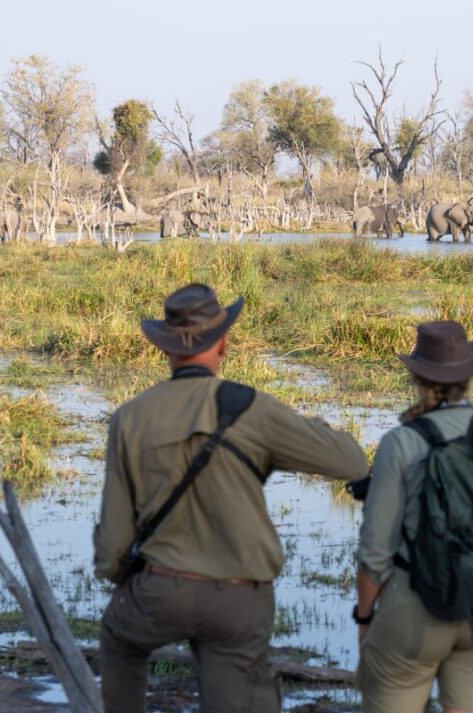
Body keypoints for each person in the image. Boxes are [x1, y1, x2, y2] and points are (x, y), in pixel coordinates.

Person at [94, 283, 369, 713]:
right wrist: (301, 426)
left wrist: (118, 576)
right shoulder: (250, 408)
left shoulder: (130, 417)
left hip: (158, 589)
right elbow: (352, 461)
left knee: (118, 642)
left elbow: (114, 534)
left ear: (165, 348)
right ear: (222, 342)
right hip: (239, 600)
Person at [354, 320, 473, 713]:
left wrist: (364, 619)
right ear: (470, 376)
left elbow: (375, 553)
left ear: (416, 376)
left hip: (414, 611)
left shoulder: (399, 442)